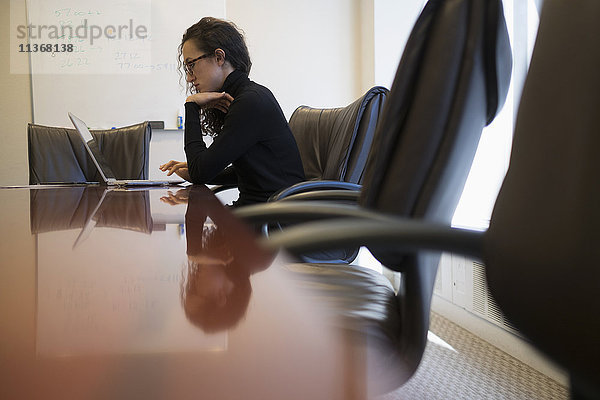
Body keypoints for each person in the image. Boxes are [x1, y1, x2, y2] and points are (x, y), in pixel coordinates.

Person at [159, 17, 305, 206]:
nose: (188, 77)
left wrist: (192, 106)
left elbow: (200, 172)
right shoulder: (245, 97)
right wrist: (199, 169)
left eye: (191, 65)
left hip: (271, 221)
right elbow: (247, 172)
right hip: (261, 214)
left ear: (219, 57)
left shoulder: (250, 102)